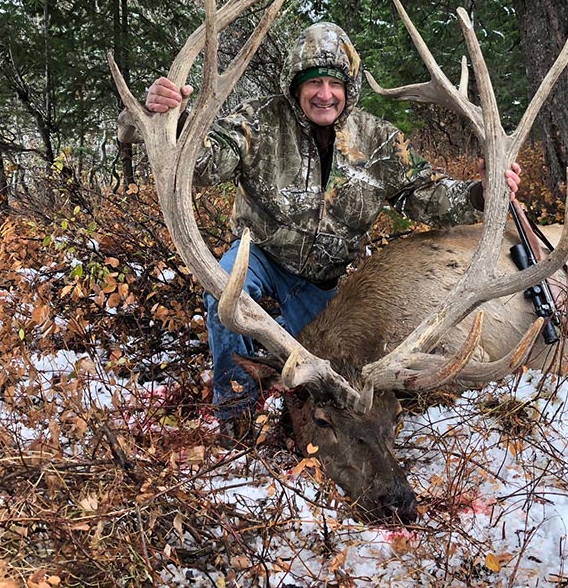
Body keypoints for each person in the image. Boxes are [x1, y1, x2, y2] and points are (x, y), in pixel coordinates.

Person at [145, 22, 520, 444]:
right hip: (260, 258)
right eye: (313, 83)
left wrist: (479, 192)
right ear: (294, 85)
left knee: (332, 378)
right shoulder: (258, 122)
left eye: (333, 83)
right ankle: (238, 416)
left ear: (348, 88)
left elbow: (424, 194)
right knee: (226, 297)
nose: (324, 94)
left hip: (323, 289)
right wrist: (173, 121)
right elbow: (204, 162)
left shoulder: (378, 140)